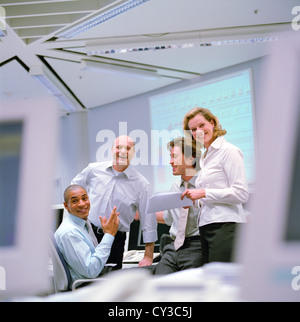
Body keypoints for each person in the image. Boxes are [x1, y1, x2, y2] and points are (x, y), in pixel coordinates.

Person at [71, 135, 157, 269]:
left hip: (115, 241)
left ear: (133, 153)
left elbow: (149, 220)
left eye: (127, 148)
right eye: (118, 147)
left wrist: (148, 255)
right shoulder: (93, 170)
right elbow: (73, 188)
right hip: (87, 233)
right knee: (83, 279)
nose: (122, 151)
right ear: (111, 150)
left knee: (110, 282)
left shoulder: (141, 184)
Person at [181, 107, 249, 264]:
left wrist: (203, 193)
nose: (198, 131)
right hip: (206, 228)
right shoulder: (205, 157)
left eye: (202, 125)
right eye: (193, 129)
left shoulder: (229, 151)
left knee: (223, 281)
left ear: (212, 123)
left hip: (226, 226)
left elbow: (241, 193)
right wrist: (194, 201)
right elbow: (209, 197)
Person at [55, 184, 119, 286]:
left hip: (94, 280)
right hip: (87, 287)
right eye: (75, 201)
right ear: (66, 206)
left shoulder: (83, 224)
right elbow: (91, 270)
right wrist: (109, 235)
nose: (82, 204)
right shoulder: (69, 232)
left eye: (84, 198)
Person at [155, 137, 202, 274]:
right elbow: (170, 218)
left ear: (190, 159)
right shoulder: (175, 187)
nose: (170, 162)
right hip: (173, 247)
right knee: (158, 284)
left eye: (174, 157)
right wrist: (140, 214)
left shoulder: (206, 184)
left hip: (197, 247)